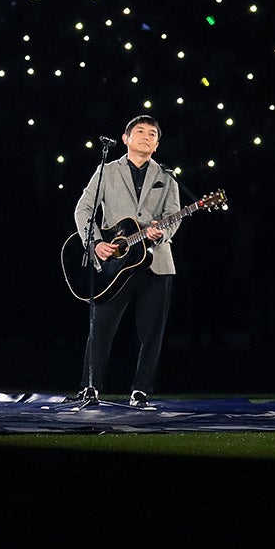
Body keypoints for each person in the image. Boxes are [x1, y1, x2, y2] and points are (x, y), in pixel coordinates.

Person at [72, 114, 182, 408]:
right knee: (102, 326)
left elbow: (174, 216)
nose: (146, 136)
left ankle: (141, 390)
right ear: (126, 139)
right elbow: (83, 209)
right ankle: (90, 386)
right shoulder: (106, 171)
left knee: (151, 331)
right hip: (114, 264)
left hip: (155, 262)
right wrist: (95, 243)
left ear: (157, 144)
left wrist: (160, 233)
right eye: (140, 131)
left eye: (153, 134)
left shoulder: (167, 176)